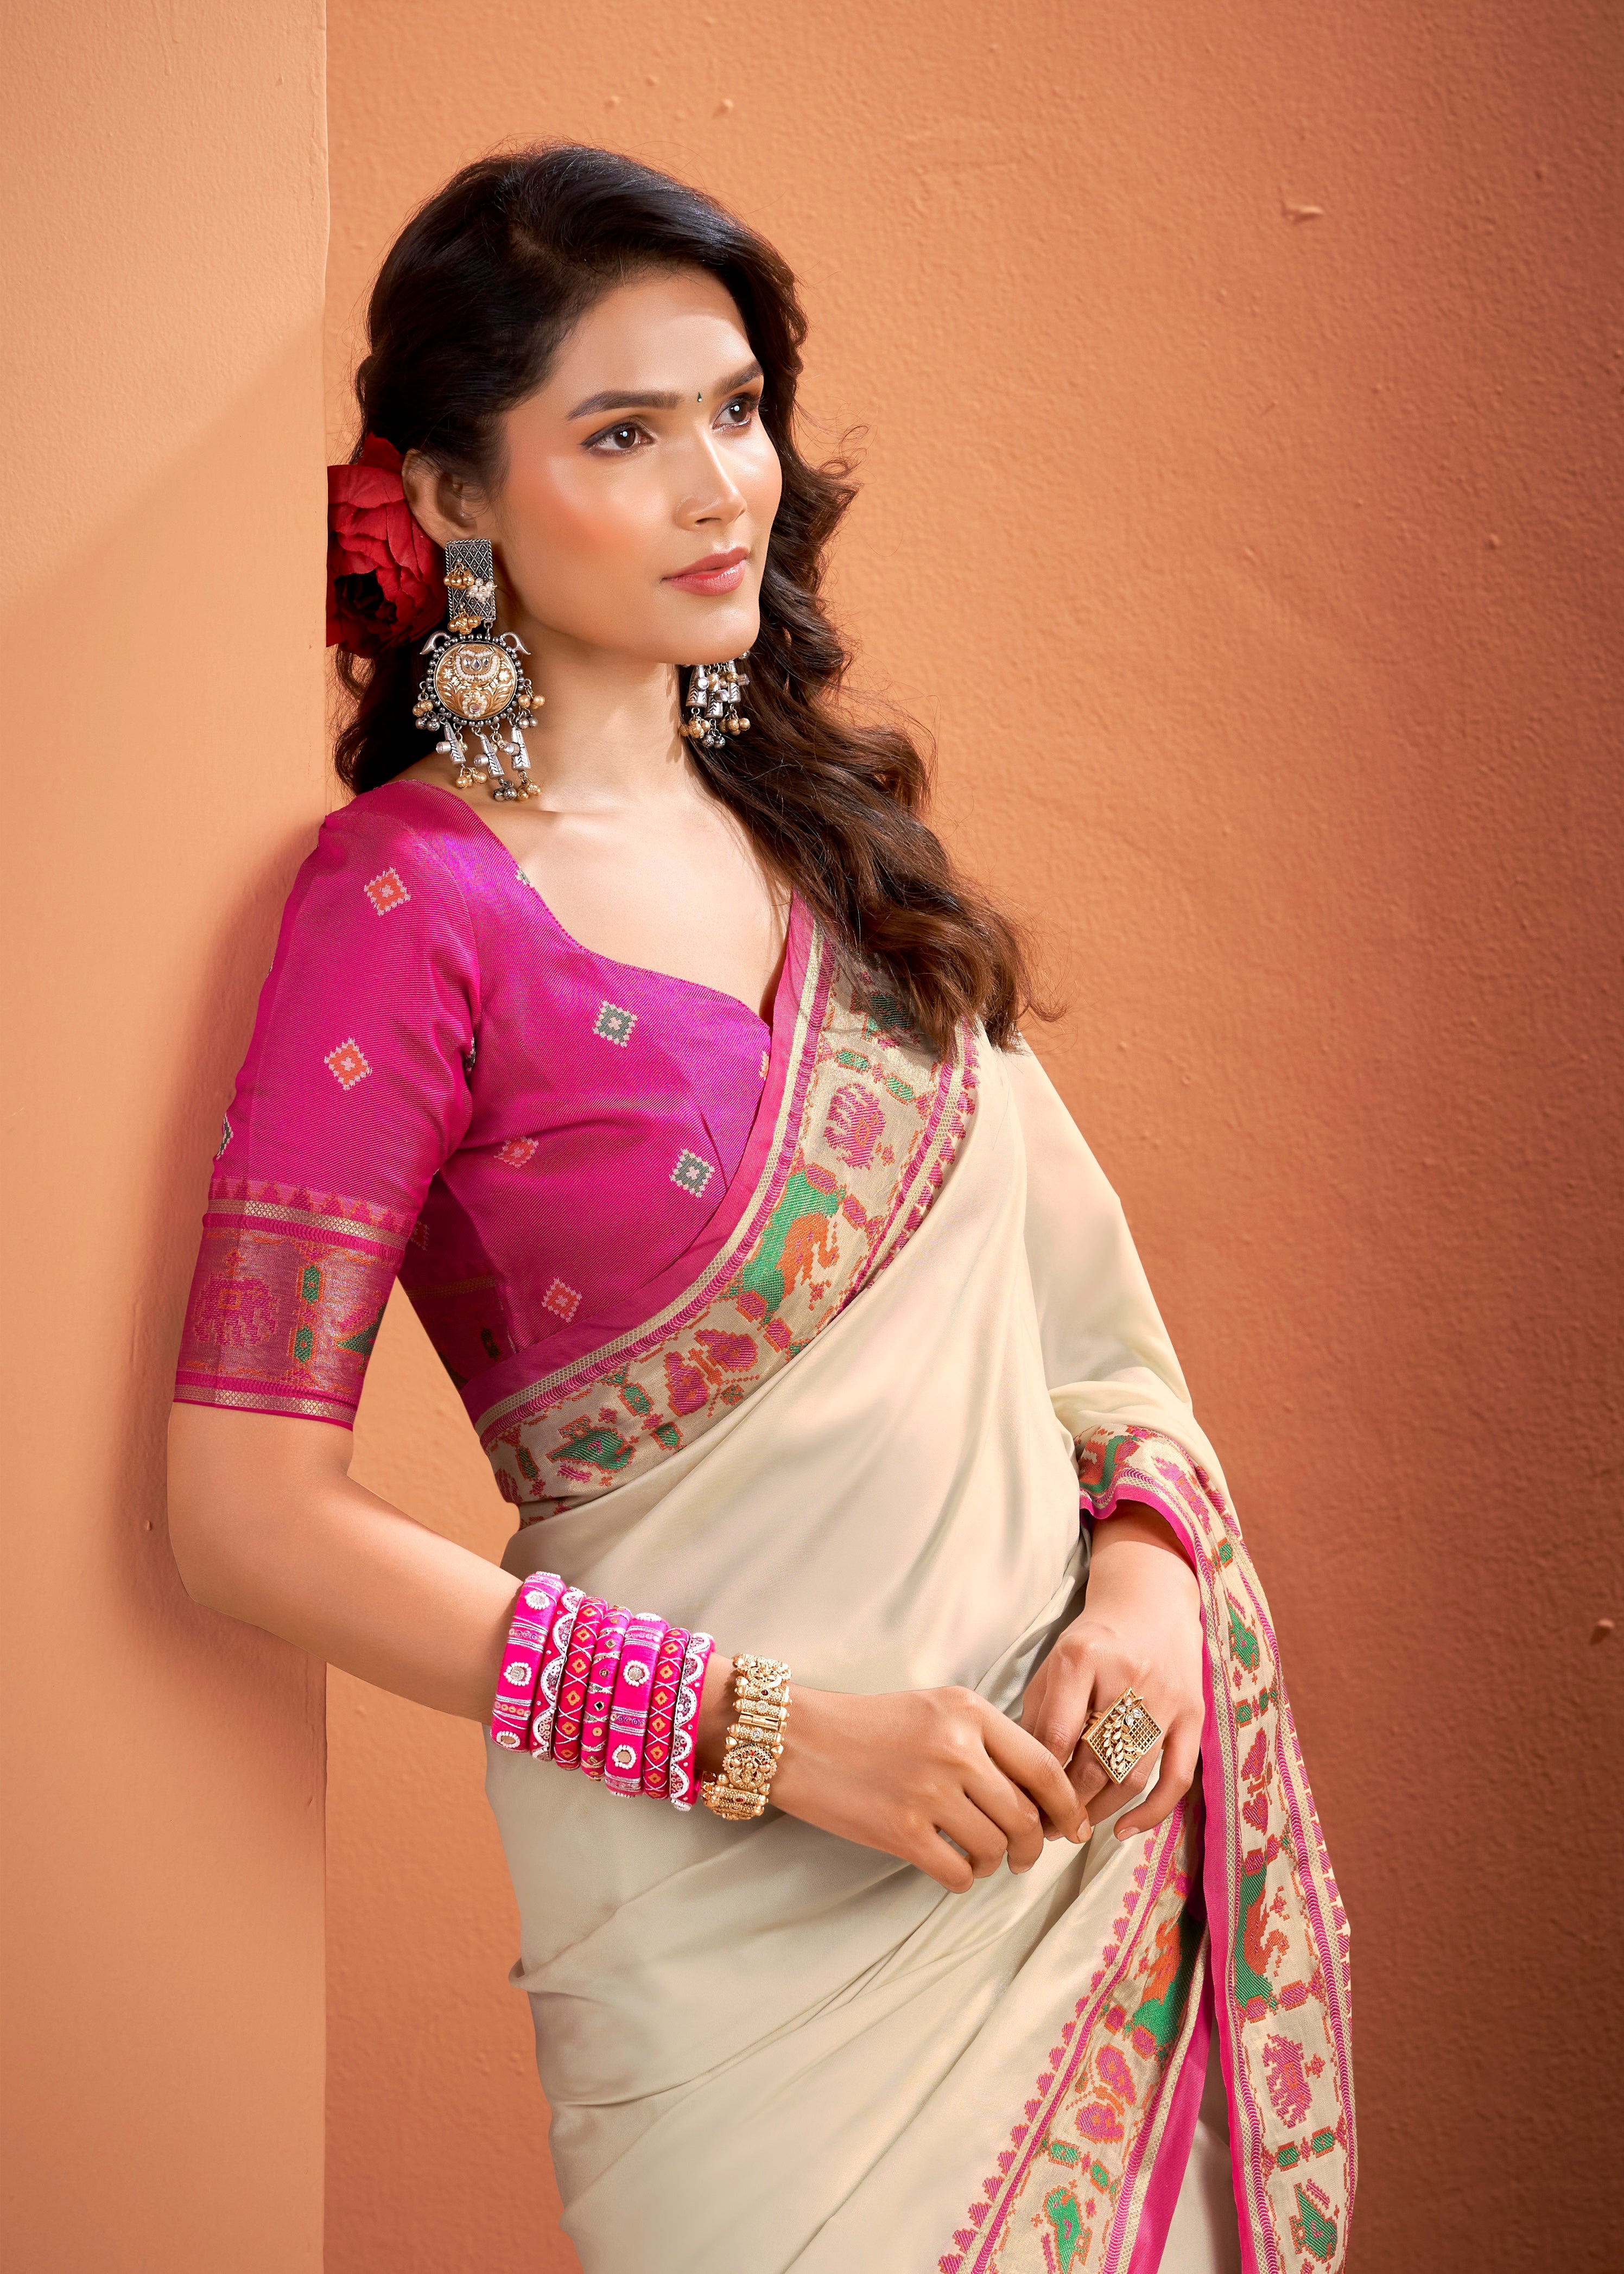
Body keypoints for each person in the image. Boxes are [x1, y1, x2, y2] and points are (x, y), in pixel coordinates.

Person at [167, 145, 1352, 2274]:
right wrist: (771, 1738)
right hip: (729, 1935)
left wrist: (1146, 1596)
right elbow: (241, 1517)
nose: (722, 485)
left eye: (735, 410)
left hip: (1063, 1852)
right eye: (623, 433)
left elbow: (1097, 1347)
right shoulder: (403, 906)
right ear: (450, 497)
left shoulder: (842, 858)